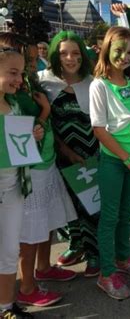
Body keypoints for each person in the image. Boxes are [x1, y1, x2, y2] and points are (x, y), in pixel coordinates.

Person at [0, 33, 78, 308]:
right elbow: (23, 132)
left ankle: (43, 268)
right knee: (29, 233)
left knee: (45, 224)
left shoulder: (29, 84)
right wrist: (43, 113)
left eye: (33, 60)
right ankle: (27, 285)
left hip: (45, 161)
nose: (32, 67)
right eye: (28, 61)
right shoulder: (16, 96)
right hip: (28, 171)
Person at [90, 21, 130, 300]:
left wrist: (126, 16)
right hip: (116, 162)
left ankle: (123, 259)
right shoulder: (99, 86)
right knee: (110, 217)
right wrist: (126, 158)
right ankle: (106, 273)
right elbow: (99, 129)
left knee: (127, 214)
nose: (125, 57)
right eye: (119, 50)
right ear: (106, 49)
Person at [39, 31, 101, 277]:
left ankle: (95, 251)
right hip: (59, 155)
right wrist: (64, 151)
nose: (70, 58)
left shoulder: (93, 81)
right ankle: (76, 245)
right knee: (66, 206)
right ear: (55, 54)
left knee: (91, 206)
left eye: (75, 52)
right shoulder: (43, 80)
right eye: (63, 52)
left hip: (91, 155)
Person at [0, 41, 43, 318]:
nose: (19, 79)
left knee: (8, 250)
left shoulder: (15, 106)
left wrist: (33, 135)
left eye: (20, 73)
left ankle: (5, 307)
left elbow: (20, 147)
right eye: (12, 73)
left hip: (14, 188)